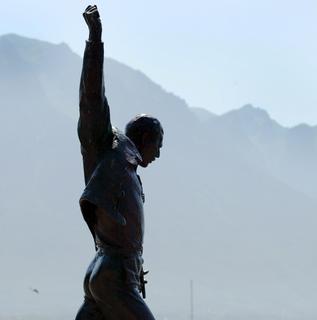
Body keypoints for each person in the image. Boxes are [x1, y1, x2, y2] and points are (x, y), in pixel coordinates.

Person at [75, 5, 163, 320]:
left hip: (107, 274)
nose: (158, 154)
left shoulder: (128, 173)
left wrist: (136, 270)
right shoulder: (109, 149)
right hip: (112, 276)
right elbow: (92, 100)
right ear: (146, 138)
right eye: (158, 144)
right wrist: (95, 40)